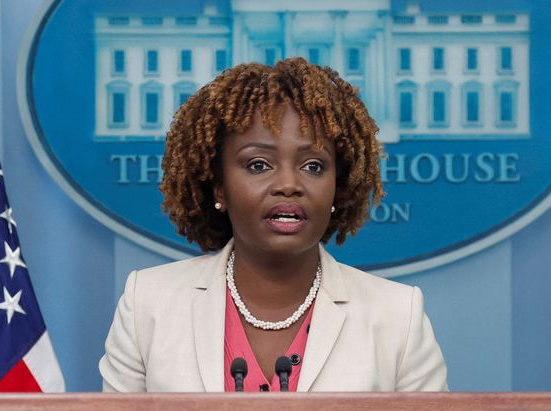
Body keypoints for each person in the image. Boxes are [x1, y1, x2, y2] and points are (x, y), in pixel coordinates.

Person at [99, 57, 447, 393]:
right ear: (219, 186)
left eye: (313, 166)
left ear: (338, 187)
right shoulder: (148, 303)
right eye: (258, 164)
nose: (288, 184)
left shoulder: (398, 315)